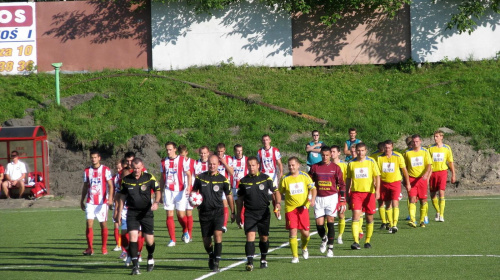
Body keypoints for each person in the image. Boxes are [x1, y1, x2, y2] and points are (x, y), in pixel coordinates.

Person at [191, 155, 235, 273]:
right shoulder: (200, 178)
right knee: (206, 240)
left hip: (218, 212)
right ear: (207, 164)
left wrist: (233, 211)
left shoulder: (223, 179)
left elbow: (229, 196)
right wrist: (193, 200)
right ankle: (211, 254)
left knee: (218, 235)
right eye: (210, 164)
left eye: (214, 164)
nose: (212, 166)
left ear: (218, 165)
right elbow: (194, 192)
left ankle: (216, 261)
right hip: (204, 213)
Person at [117, 158, 161, 275]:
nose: (136, 170)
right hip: (132, 213)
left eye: (138, 168)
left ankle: (150, 257)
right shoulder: (126, 180)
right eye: (134, 168)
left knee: (149, 240)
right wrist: (119, 212)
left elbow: (157, 190)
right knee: (133, 237)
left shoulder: (149, 177)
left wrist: (156, 202)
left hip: (146, 213)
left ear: (142, 167)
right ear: (132, 167)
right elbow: (122, 197)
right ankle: (135, 266)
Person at [236, 156, 280, 270]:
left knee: (264, 237)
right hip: (249, 213)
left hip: (264, 212)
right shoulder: (243, 181)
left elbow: (276, 192)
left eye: (253, 165)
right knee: (250, 236)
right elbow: (240, 199)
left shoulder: (266, 178)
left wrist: (278, 204)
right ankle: (250, 262)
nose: (251, 167)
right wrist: (238, 214)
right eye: (249, 165)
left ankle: (263, 258)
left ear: (258, 165)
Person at [309, 146, 346, 257]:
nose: (325, 157)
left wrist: (342, 198)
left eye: (327, 155)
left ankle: (330, 248)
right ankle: (324, 238)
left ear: (331, 155)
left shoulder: (336, 168)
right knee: (319, 225)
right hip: (319, 198)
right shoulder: (315, 167)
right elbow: (309, 182)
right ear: (321, 155)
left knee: (330, 222)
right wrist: (309, 195)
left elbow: (341, 184)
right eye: (323, 155)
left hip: (331, 197)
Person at [279, 157, 316, 263]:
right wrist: (277, 203)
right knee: (293, 231)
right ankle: (295, 256)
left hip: (303, 208)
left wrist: (312, 200)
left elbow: (313, 188)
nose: (291, 167)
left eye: (293, 165)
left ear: (298, 165)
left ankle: (304, 247)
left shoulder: (304, 176)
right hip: (290, 209)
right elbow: (279, 192)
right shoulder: (285, 178)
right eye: (289, 165)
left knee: (305, 233)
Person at [345, 143, 380, 249]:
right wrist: (347, 192)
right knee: (356, 216)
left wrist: (377, 191)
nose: (360, 152)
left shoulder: (371, 162)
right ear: (355, 151)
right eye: (358, 150)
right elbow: (348, 179)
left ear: (366, 151)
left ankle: (367, 240)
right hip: (356, 193)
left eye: (362, 150)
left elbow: (377, 176)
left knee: (369, 218)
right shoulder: (351, 163)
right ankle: (356, 241)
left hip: (369, 193)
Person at [80, 150, 114, 255]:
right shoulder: (87, 171)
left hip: (102, 202)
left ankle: (104, 247)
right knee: (89, 223)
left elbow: (110, 185)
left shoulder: (105, 170)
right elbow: (85, 186)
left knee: (103, 224)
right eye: (92, 157)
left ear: (99, 158)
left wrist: (110, 198)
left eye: (95, 157)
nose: (93, 159)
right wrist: (82, 200)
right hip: (90, 202)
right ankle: (90, 248)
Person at [160, 142, 192, 247]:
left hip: (180, 191)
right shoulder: (164, 162)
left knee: (181, 215)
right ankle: (172, 239)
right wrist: (160, 191)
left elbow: (188, 174)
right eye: (167, 150)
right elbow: (162, 177)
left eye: (170, 149)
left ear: (174, 149)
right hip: (168, 190)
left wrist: (189, 186)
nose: (168, 152)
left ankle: (185, 230)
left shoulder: (182, 160)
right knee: (169, 214)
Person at [376, 140, 411, 233]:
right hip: (384, 183)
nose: (387, 149)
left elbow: (404, 171)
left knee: (395, 202)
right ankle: (390, 223)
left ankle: (394, 224)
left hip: (395, 182)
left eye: (389, 147)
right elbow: (377, 173)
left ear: (392, 147)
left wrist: (407, 183)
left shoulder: (398, 156)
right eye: (386, 147)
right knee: (387, 205)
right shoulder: (379, 158)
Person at [403, 134, 432, 228]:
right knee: (412, 199)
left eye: (417, 141)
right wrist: (405, 179)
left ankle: (422, 220)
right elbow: (404, 168)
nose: (415, 143)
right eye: (413, 142)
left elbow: (429, 165)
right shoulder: (407, 153)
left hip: (421, 179)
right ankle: (412, 220)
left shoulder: (425, 152)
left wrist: (426, 174)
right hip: (411, 179)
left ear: (420, 141)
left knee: (423, 200)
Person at [428, 130, 456, 222]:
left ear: (441, 137)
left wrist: (453, 174)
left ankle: (442, 215)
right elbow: (427, 162)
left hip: (443, 172)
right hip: (432, 173)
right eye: (434, 136)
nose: (435, 138)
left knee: (441, 192)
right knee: (432, 195)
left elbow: (450, 162)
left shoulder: (447, 148)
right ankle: (438, 211)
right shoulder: (430, 148)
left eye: (437, 136)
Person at [257, 134, 283, 219]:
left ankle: (276, 210)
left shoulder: (275, 150)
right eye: (264, 140)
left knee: (274, 194)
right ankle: (263, 213)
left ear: (270, 140)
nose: (265, 141)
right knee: (263, 194)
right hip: (263, 175)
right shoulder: (259, 152)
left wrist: (281, 172)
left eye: (267, 140)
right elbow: (258, 164)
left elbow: (279, 162)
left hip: (273, 175)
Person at [330, 145, 348, 244]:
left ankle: (340, 236)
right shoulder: (327, 165)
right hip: (329, 193)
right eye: (331, 152)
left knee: (341, 214)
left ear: (339, 153)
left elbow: (346, 180)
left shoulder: (344, 165)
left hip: (340, 193)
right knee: (328, 215)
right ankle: (328, 236)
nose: (332, 154)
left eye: (334, 152)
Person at [215, 143, 234, 232]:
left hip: (224, 184)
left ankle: (224, 225)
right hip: (214, 184)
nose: (220, 153)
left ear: (224, 151)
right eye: (218, 151)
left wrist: (224, 163)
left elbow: (231, 172)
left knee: (224, 203)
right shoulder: (213, 158)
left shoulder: (228, 159)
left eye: (221, 151)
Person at [179, 144, 195, 242]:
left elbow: (195, 175)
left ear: (186, 152)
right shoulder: (178, 161)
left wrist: (194, 189)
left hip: (190, 188)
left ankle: (189, 234)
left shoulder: (192, 162)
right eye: (180, 155)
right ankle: (185, 231)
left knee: (189, 212)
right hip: (180, 189)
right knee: (181, 213)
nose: (182, 157)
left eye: (183, 155)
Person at [231, 144, 248, 228]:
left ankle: (242, 220)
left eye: (240, 150)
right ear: (234, 151)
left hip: (243, 186)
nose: (239, 152)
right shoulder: (231, 160)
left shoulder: (246, 160)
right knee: (238, 204)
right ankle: (239, 219)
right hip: (234, 185)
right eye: (237, 151)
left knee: (244, 203)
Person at [112, 159, 125, 252]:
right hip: (116, 201)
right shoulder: (114, 178)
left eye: (120, 168)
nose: (118, 170)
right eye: (117, 168)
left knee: (125, 224)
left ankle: (125, 245)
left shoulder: (125, 176)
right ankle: (118, 244)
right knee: (116, 222)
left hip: (125, 202)